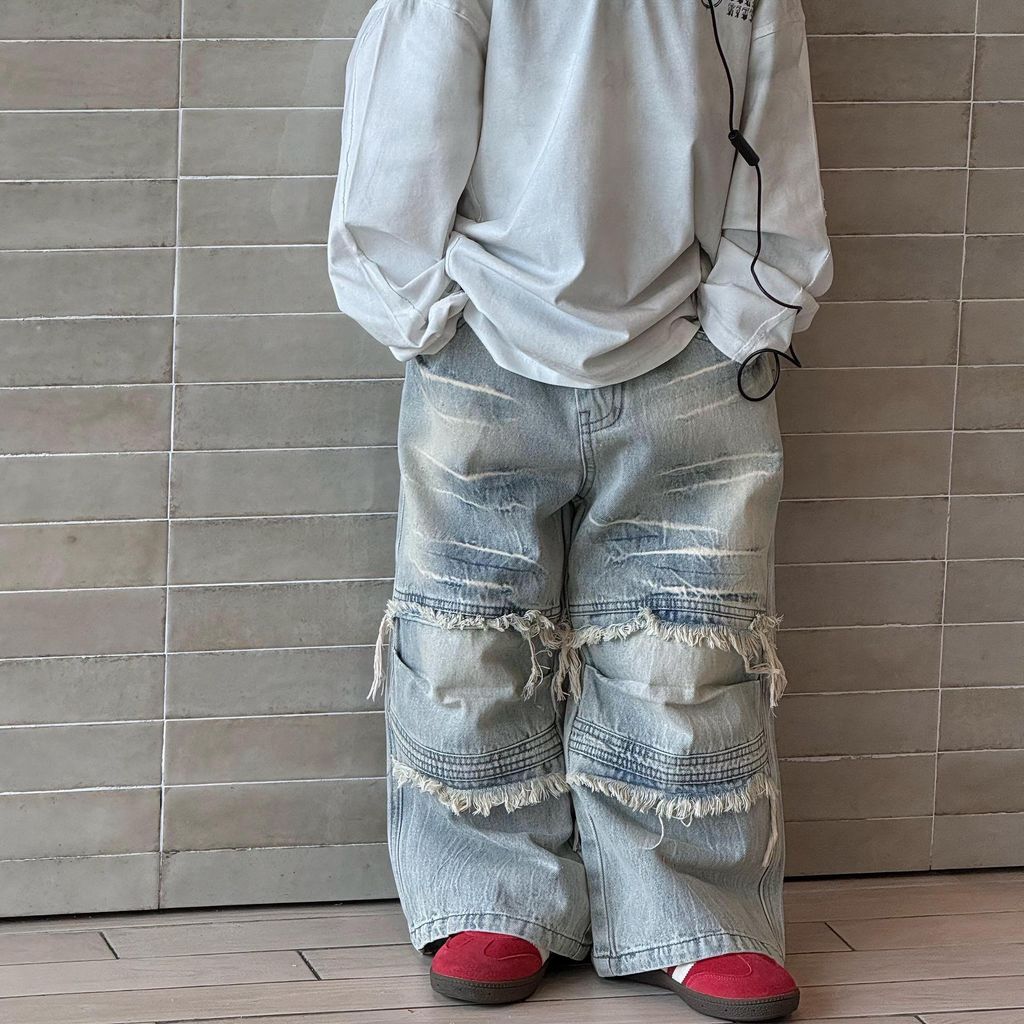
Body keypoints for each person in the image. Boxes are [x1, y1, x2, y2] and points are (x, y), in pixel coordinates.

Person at [327, 0, 831, 1019]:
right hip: (483, 329)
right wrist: (413, 306)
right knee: (467, 631)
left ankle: (692, 909)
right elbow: (405, 109)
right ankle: (489, 893)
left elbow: (771, 107)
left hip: (692, 333)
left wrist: (754, 307)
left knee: (684, 642)